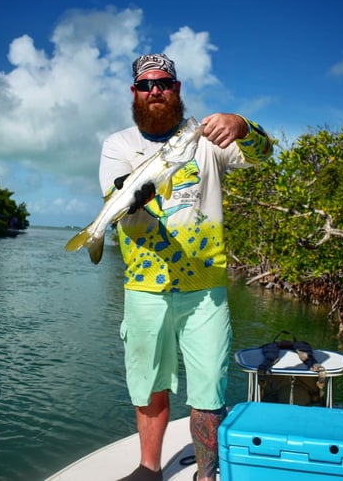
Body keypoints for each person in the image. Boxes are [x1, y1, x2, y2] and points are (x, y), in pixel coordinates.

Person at [99, 53, 272, 481]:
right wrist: (133, 196)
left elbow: (263, 155)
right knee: (148, 383)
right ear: (134, 92)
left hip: (205, 285)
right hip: (144, 285)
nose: (154, 91)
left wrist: (244, 126)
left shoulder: (206, 138)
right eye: (146, 85)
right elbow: (118, 203)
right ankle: (148, 468)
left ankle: (206, 475)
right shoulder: (118, 144)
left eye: (163, 84)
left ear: (177, 89)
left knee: (209, 386)